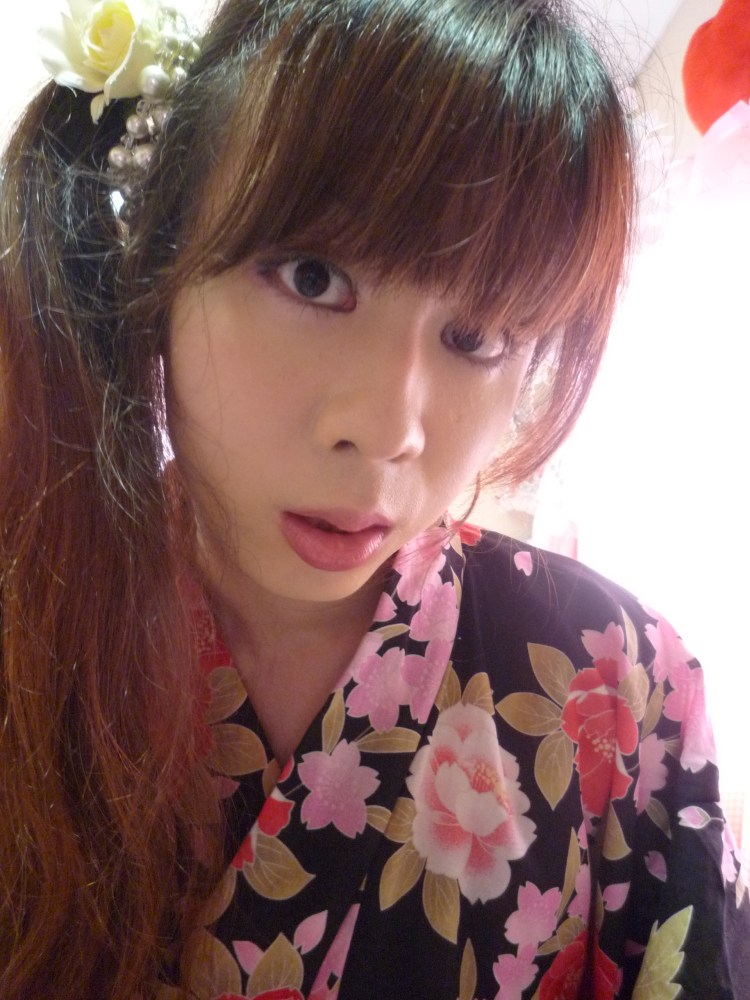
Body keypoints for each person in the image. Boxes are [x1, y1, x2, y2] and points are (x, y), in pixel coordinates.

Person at [0, 0, 747, 997]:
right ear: (161, 264)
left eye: (478, 337)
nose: (392, 429)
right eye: (313, 278)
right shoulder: (30, 618)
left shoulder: (623, 685)